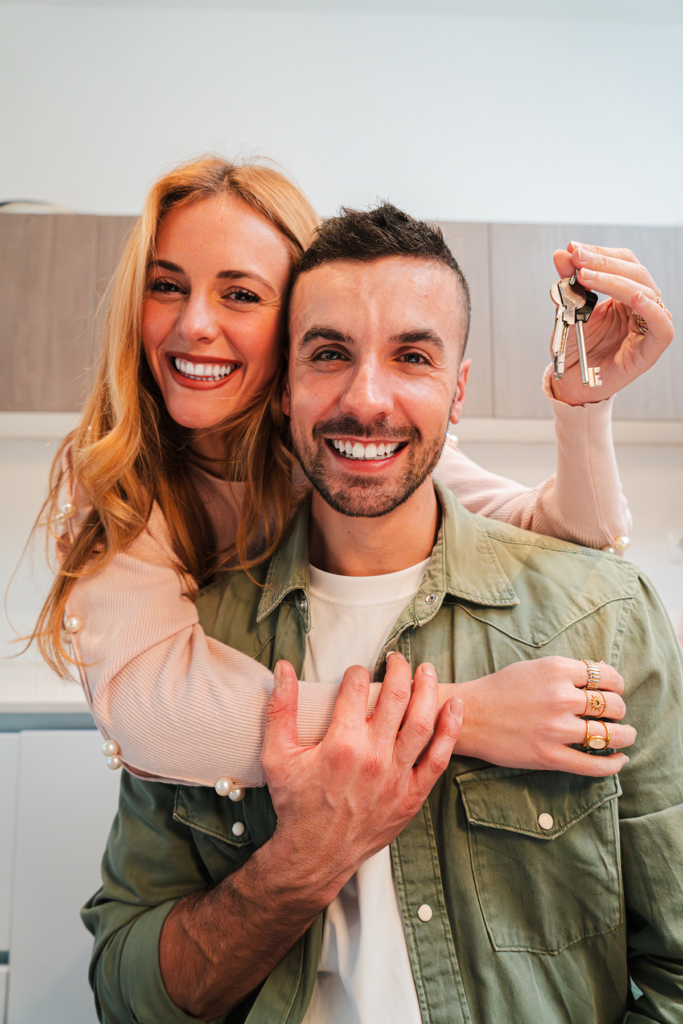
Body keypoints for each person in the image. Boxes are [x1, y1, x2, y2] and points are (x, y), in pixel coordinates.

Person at [84, 204, 683, 1024]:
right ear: (283, 389)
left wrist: (582, 407)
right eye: (329, 354)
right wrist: (297, 864)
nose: (367, 399)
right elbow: (127, 988)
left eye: (411, 356)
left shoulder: (603, 617)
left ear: (458, 389)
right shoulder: (204, 637)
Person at [39, 156, 669, 789]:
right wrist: (465, 714)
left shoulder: (346, 439)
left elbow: (570, 541)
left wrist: (585, 402)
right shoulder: (117, 473)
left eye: (240, 294)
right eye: (167, 285)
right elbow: (159, 715)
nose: (194, 324)